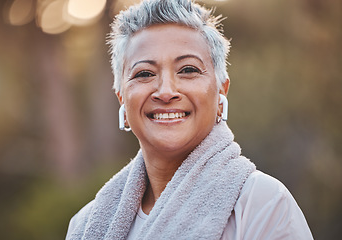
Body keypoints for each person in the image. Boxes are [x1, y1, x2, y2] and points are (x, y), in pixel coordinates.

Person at [66, 0, 313, 239]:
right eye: (144, 73)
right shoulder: (85, 224)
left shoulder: (264, 205)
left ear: (220, 92)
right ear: (122, 98)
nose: (165, 91)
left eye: (188, 70)